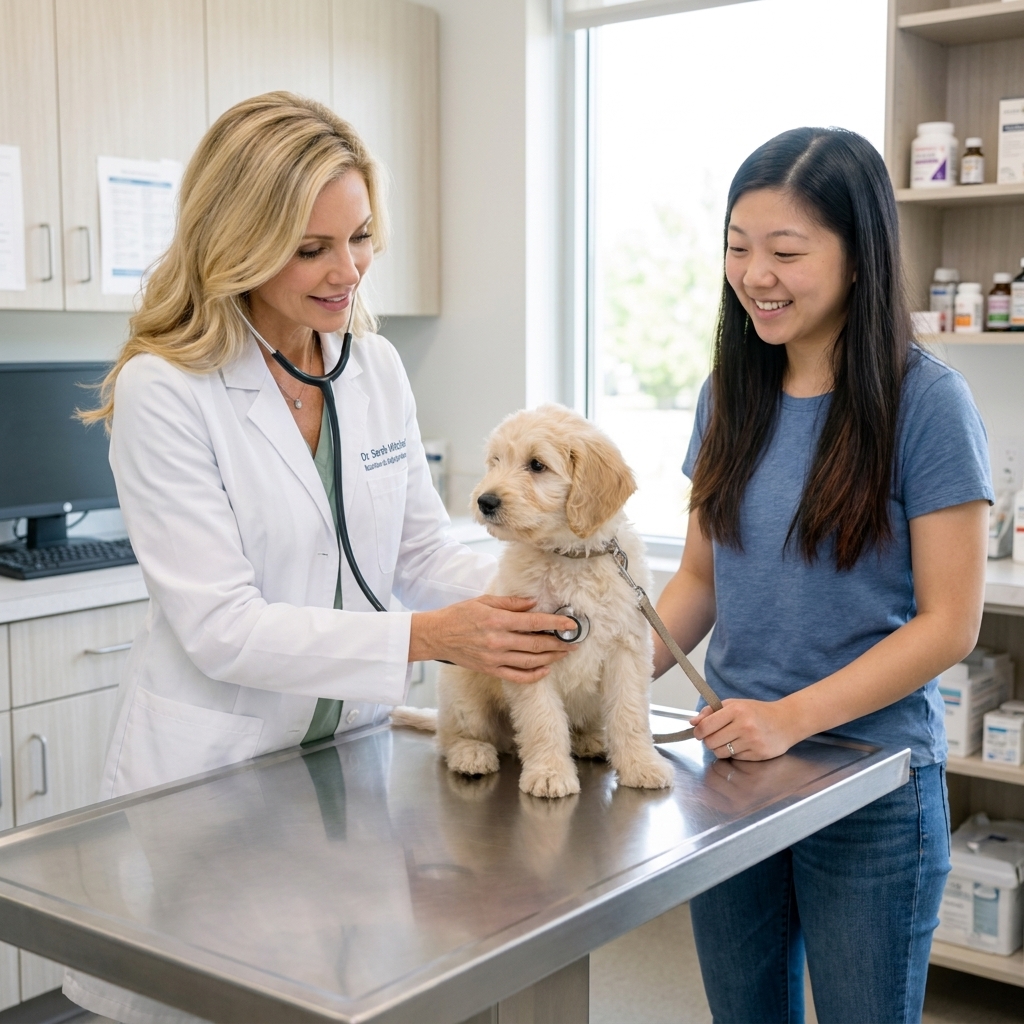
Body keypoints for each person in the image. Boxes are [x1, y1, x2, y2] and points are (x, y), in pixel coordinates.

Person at [64, 91, 575, 1023]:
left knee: (339, 990)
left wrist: (544, 586)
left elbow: (419, 548)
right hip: (212, 779)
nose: (349, 272)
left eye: (361, 237)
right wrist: (433, 638)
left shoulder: (369, 365)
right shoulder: (165, 391)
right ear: (239, 243)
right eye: (311, 249)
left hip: (343, 767)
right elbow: (222, 628)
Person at [654, 127, 992, 1024]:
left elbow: (950, 624)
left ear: (857, 257)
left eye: (786, 251)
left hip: (869, 779)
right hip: (731, 774)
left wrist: (789, 718)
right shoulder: (729, 391)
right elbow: (700, 578)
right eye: (737, 246)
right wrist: (601, 670)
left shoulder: (928, 403)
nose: (754, 273)